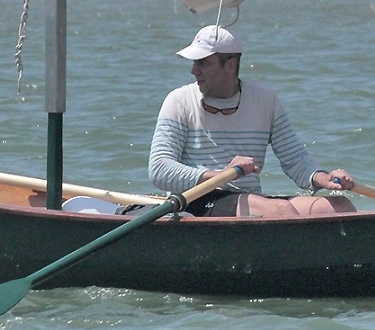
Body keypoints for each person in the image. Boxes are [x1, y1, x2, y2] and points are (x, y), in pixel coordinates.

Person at [149, 25, 357, 217]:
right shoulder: (178, 101)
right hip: (196, 199)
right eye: (195, 62)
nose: (194, 70)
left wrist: (324, 178)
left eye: (203, 63)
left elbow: (295, 158)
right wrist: (220, 175)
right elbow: (159, 169)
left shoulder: (265, 100)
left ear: (230, 66)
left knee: (340, 207)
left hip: (247, 199)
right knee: (280, 211)